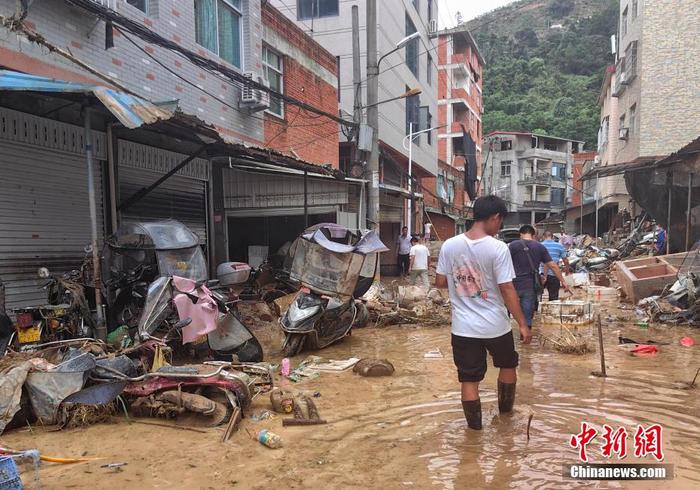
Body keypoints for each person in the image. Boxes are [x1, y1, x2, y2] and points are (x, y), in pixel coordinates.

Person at [436, 196, 531, 431]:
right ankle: (505, 418)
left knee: (469, 379)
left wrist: (464, 284)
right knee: (507, 365)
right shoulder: (498, 248)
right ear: (495, 217)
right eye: (499, 222)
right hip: (496, 325)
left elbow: (439, 281)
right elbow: (507, 288)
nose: (498, 227)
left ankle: (474, 433)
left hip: (463, 327)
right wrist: (523, 323)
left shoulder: (449, 245)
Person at [508, 225, 571, 330]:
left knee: (509, 312)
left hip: (513, 284)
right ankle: (526, 338)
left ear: (520, 235)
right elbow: (553, 265)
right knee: (527, 315)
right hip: (529, 285)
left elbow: (503, 264)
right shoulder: (539, 246)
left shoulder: (513, 246)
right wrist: (563, 281)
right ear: (533, 235)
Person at [541, 231, 570, 301]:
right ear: (553, 237)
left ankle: (537, 311)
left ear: (543, 237)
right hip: (554, 274)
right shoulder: (559, 246)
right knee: (553, 298)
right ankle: (552, 311)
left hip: (541, 275)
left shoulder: (540, 245)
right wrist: (567, 270)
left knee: (538, 297)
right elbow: (565, 260)